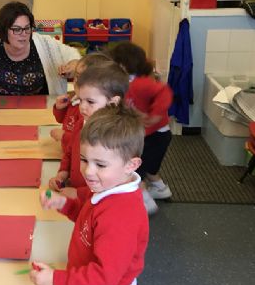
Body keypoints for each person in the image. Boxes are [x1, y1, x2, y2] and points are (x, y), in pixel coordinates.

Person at [31, 104, 149, 285]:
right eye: (84, 160)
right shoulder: (107, 191)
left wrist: (56, 279)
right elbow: (89, 224)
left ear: (131, 165)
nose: (88, 172)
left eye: (100, 165)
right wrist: (65, 204)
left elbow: (104, 276)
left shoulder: (119, 214)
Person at [49, 62, 129, 199]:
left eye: (90, 102)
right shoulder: (82, 122)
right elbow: (70, 151)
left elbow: (111, 184)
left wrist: (79, 194)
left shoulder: (113, 138)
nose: (82, 107)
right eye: (81, 100)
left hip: (93, 200)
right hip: (76, 192)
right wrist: (62, 174)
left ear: (113, 102)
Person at [110, 42, 173, 215]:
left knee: (133, 170)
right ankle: (161, 190)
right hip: (152, 136)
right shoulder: (127, 83)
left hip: (155, 136)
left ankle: (146, 203)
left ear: (123, 65)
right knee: (149, 168)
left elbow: (164, 91)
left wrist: (155, 115)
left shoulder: (140, 83)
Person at [50, 52, 113, 150]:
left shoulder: (95, 111)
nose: (77, 81)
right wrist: (60, 109)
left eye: (84, 78)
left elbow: (85, 143)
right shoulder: (75, 99)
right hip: (68, 152)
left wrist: (63, 137)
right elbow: (64, 120)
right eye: (77, 76)